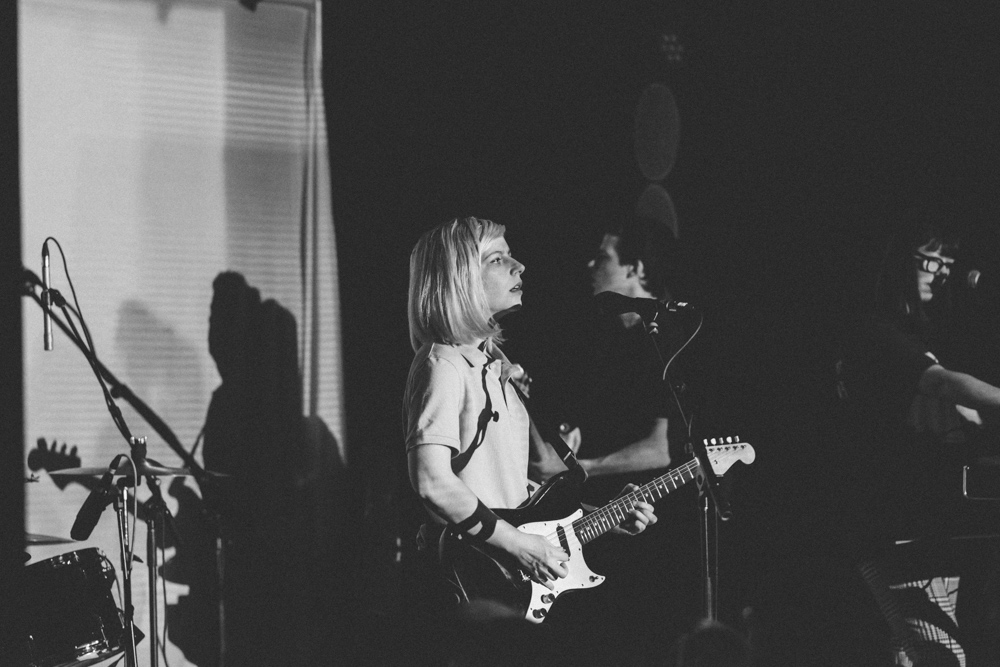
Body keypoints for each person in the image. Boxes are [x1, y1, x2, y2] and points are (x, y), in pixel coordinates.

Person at [402, 216, 658, 665]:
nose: (519, 266)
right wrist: (518, 545)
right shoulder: (442, 364)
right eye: (498, 259)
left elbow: (515, 495)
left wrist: (606, 515)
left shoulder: (492, 366)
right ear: (460, 279)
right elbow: (431, 481)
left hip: (504, 579)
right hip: (473, 580)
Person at [527, 215, 705, 665]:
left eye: (603, 255)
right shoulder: (611, 339)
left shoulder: (666, 339)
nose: (591, 264)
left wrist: (578, 465)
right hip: (606, 524)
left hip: (655, 533)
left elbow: (660, 448)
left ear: (636, 269)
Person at [834, 212, 1000, 666]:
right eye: (930, 259)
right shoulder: (874, 332)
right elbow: (944, 385)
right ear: (896, 263)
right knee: (941, 657)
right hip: (894, 529)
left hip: (928, 528)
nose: (942, 271)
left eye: (948, 261)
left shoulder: (924, 332)